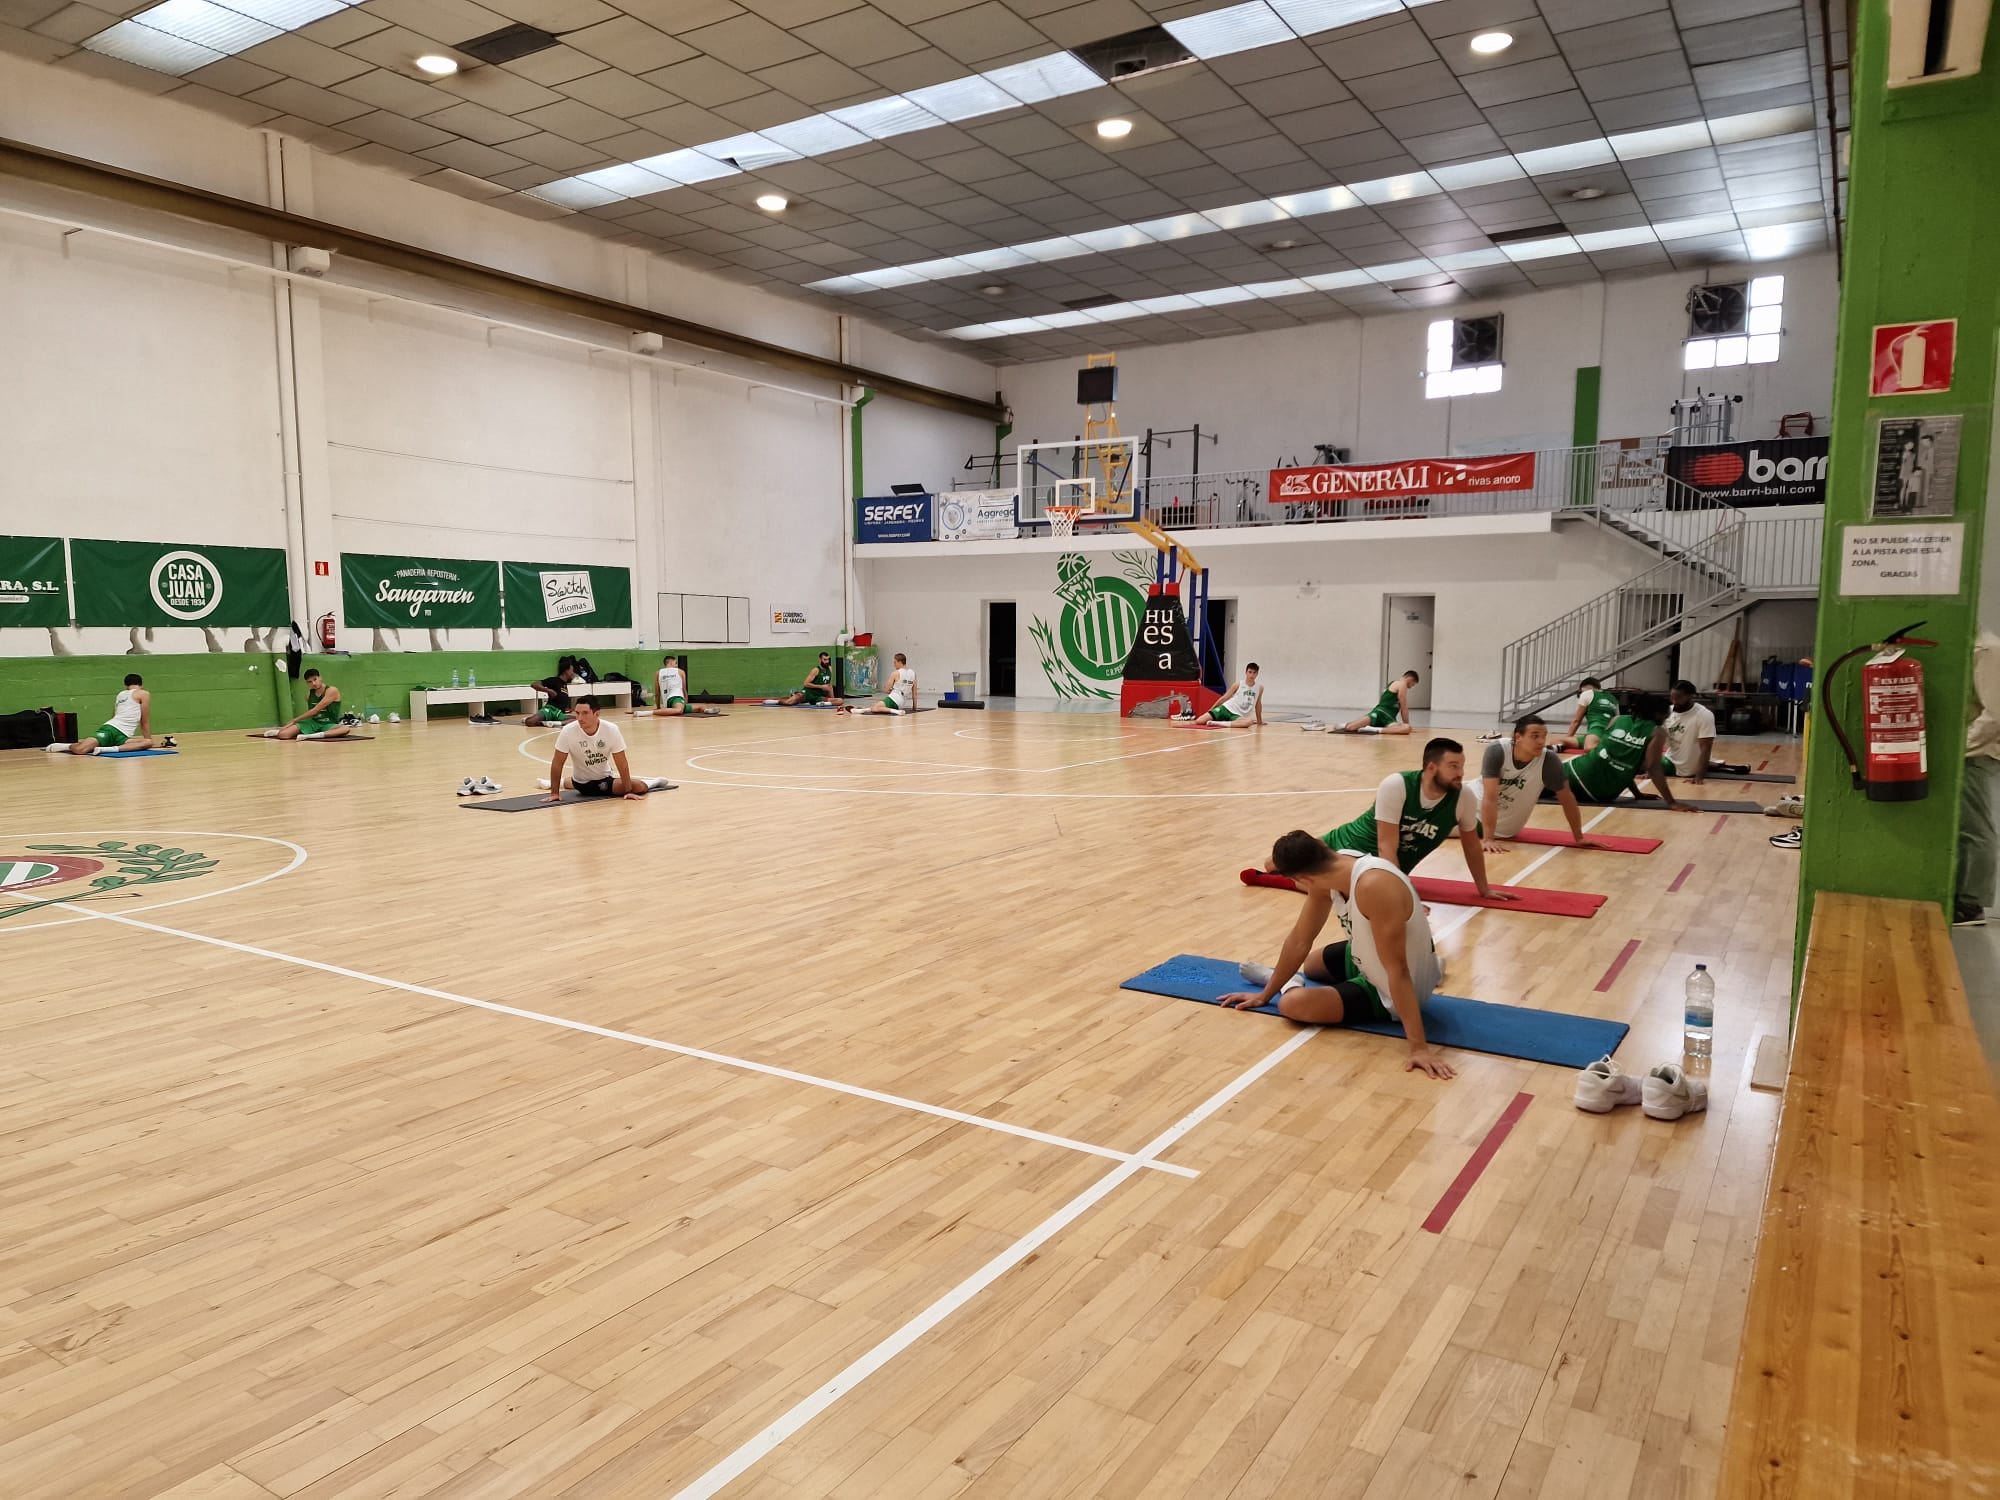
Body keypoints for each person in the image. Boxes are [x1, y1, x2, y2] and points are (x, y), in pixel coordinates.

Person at [1220, 831, 1454, 1081]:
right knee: (1311, 964)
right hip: (1372, 957)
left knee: (1292, 1005)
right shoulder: (1336, 865)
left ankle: (1288, 984)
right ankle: (1275, 982)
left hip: (1390, 985)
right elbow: (1300, 939)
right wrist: (1264, 997)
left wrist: (1419, 1048)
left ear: (1303, 879)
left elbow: (1397, 970)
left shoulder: (1373, 885)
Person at [1320, 736, 1514, 900]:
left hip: (1376, 872)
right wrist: (1403, 897)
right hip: (1339, 849)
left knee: (1355, 890)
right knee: (1302, 871)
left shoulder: (1464, 797)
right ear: (1431, 768)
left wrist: (1484, 889)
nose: (1460, 773)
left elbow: (1471, 845)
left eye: (1461, 766)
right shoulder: (1397, 785)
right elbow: (1386, 846)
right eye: (1453, 766)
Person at [1478, 715, 1599, 852]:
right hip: (1475, 804)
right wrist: (1488, 839)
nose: (1541, 741)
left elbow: (1567, 798)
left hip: (1506, 826)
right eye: (1535, 736)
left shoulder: (1549, 760)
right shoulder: (1497, 750)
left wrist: (1579, 837)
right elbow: (1490, 797)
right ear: (1518, 737)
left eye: (1544, 736)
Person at [1564, 694, 1693, 810]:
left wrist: (1637, 793)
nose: (1668, 715)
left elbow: (1617, 760)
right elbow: (1651, 768)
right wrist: (1671, 802)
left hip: (1576, 771)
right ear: (1659, 714)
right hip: (1601, 792)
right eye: (1666, 713)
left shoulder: (1618, 719)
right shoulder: (1657, 732)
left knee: (1545, 776)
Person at [1956, 630, 2000, 925]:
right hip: (1967, 752)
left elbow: (1995, 713)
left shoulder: (1987, 649)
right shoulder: (1970, 646)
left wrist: (1963, 746)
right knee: (1962, 827)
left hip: (1976, 753)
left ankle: (1972, 904)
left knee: (1975, 829)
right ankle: (1960, 895)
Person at [539, 698, 659, 801]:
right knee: (636, 785)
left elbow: (622, 763)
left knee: (640, 787)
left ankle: (653, 782)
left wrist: (628, 791)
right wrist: (554, 793)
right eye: (577, 713)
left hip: (605, 779)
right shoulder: (568, 731)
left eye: (585, 713)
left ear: (597, 714)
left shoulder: (611, 729)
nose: (580, 718)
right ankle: (555, 784)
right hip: (580, 783)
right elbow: (557, 763)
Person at [45, 673, 173, 755]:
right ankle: (63, 746)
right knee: (80, 750)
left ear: (126, 685)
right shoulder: (144, 693)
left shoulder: (121, 694)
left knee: (146, 743)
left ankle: (105, 749)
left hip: (122, 736)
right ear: (141, 684)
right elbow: (144, 720)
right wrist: (148, 739)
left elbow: (114, 713)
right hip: (111, 729)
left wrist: (148, 742)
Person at [1660, 680, 1747, 780]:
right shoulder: (1668, 711)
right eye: (1672, 698)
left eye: (1678, 698)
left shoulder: (1703, 715)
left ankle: (1709, 764)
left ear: (1690, 696)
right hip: (1670, 758)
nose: (1674, 702)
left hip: (1686, 766)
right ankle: (1712, 764)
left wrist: (1699, 776)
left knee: (1641, 763)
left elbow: (1706, 747)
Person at [266, 669, 350, 739]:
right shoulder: (309, 695)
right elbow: (311, 714)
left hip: (328, 724)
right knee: (283, 735)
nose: (313, 683)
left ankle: (311, 736)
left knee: (345, 729)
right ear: (307, 683)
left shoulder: (332, 690)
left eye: (315, 679)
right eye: (309, 682)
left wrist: (295, 720)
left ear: (320, 678)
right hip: (313, 723)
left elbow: (316, 710)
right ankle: (278, 732)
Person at [1333, 670, 1418, 734]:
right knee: (1350, 728)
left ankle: (1373, 729)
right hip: (1380, 713)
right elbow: (1404, 708)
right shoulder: (1402, 684)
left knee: (1406, 728)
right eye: (1413, 684)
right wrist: (1406, 723)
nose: (1411, 687)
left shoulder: (1394, 683)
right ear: (1409, 678)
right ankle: (1346, 725)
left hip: (1389, 719)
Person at [1193, 663, 1265, 727]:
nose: (1252, 675)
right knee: (1199, 721)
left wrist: (1259, 721)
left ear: (1257, 674)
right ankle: (1224, 721)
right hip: (1226, 708)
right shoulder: (1238, 684)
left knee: (1248, 722)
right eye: (1250, 672)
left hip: (1237, 716)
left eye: (1254, 673)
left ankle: (1218, 723)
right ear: (1246, 672)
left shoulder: (1259, 688)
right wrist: (1211, 709)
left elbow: (1258, 704)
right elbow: (1224, 698)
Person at [647, 655, 720, 717]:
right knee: (679, 710)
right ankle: (647, 713)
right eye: (676, 663)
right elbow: (684, 690)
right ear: (671, 662)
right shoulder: (680, 671)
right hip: (677, 698)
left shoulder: (658, 673)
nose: (676, 665)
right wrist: (684, 703)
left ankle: (707, 710)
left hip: (668, 703)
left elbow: (657, 693)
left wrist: (658, 707)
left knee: (702, 706)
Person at [1560, 677, 1619, 751]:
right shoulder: (1613, 698)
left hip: (1597, 729)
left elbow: (1576, 721)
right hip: (1610, 732)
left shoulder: (1586, 694)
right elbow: (1617, 718)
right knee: (1556, 741)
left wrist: (1567, 740)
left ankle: (1606, 750)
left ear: (1583, 688)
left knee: (1588, 747)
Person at [523, 661, 579, 726]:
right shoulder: (554, 680)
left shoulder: (565, 684)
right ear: (566, 670)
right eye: (572, 670)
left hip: (559, 714)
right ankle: (530, 719)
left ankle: (552, 723)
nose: (573, 673)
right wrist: (548, 690)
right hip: (550, 710)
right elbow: (534, 684)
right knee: (530, 722)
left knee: (578, 719)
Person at [771, 652, 836, 707]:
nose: (827, 661)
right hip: (808, 693)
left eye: (828, 659)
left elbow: (829, 687)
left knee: (839, 701)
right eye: (825, 660)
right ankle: (776, 701)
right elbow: (805, 684)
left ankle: (821, 704)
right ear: (820, 660)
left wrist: (833, 700)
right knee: (789, 702)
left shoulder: (830, 669)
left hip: (818, 696)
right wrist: (821, 686)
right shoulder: (815, 670)